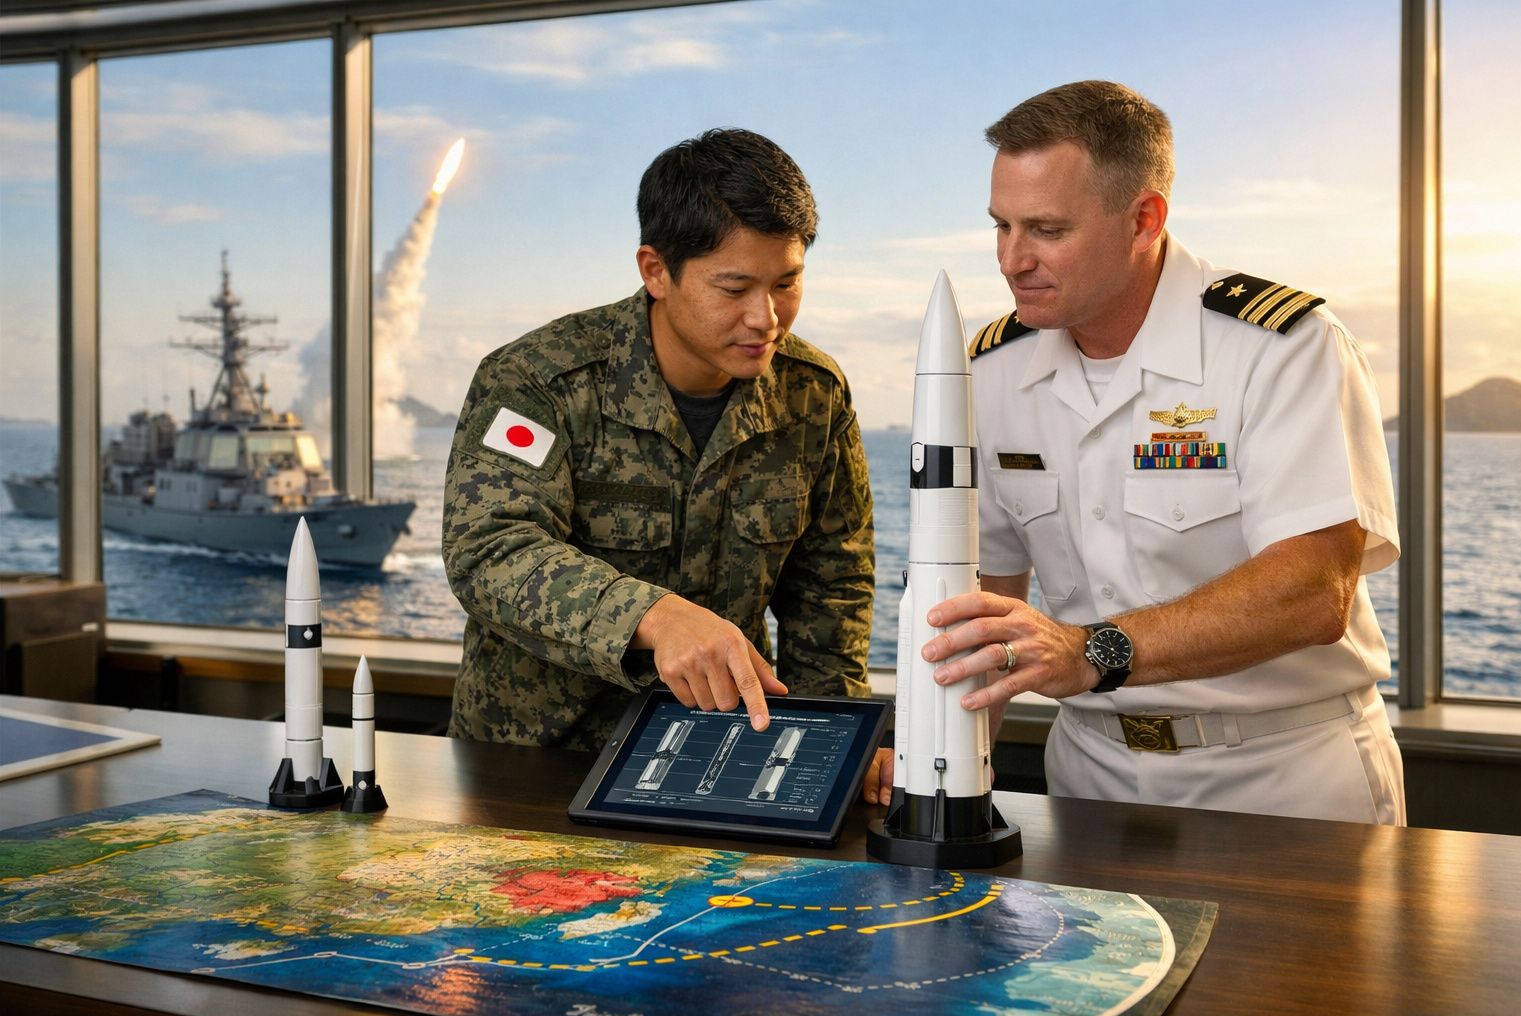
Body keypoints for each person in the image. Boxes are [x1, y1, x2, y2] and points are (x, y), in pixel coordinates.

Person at [872, 81, 1404, 824]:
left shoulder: (1280, 348)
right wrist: (927, 769)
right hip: (1087, 780)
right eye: (1002, 226)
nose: (1012, 260)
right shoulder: (991, 371)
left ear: (1143, 220)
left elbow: (1314, 591)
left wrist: (1092, 652)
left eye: (1047, 230)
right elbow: (982, 608)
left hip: (1284, 776)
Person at [443, 128, 875, 751]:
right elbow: (489, 550)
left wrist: (836, 746)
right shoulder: (539, 381)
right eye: (734, 289)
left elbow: (832, 592)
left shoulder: (813, 394)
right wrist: (655, 616)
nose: (766, 318)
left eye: (786, 284)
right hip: (533, 761)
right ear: (656, 271)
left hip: (719, 752)